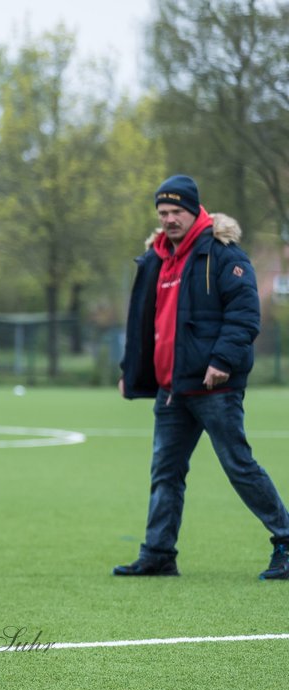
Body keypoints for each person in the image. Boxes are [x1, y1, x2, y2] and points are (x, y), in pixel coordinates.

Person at [115, 174, 289, 581]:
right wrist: (132, 370)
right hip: (172, 390)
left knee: (239, 466)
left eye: (177, 211)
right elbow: (144, 322)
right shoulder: (156, 259)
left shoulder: (223, 254)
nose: (170, 219)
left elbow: (245, 315)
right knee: (165, 473)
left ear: (195, 211)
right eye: (163, 212)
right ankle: (158, 553)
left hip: (215, 387)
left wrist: (222, 361)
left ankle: (286, 539)